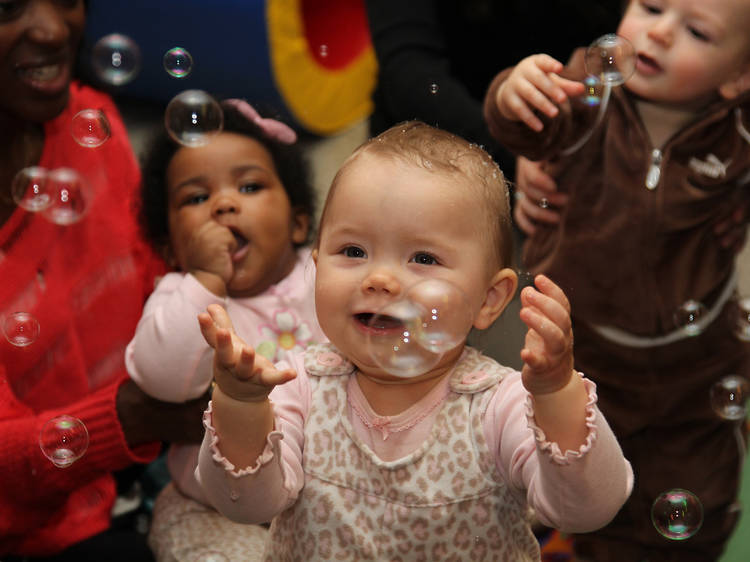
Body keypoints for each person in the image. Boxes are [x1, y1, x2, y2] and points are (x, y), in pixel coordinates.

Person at [193, 121, 633, 560]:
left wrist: (556, 394)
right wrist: (241, 404)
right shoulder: (298, 387)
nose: (380, 278)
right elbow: (246, 504)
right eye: (353, 251)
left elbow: (587, 510)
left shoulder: (501, 405)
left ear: (489, 298)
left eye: (423, 258)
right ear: (315, 264)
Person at [484, 0, 750, 559]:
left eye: (697, 31)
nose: (659, 32)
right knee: (582, 472)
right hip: (581, 352)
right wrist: (513, 92)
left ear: (738, 78)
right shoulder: (587, 93)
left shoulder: (739, 135)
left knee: (698, 484)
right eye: (651, 6)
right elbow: (528, 125)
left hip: (698, 362)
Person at [0, 1, 208, 560]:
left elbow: (152, 280)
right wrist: (142, 416)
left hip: (147, 455)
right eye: (6, 7)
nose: (52, 29)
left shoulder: (90, 120)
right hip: (41, 526)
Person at [126, 99, 327, 561]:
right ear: (169, 247)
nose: (223, 204)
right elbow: (162, 379)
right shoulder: (181, 294)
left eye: (250, 186)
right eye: (196, 198)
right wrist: (203, 281)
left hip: (326, 495)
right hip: (215, 506)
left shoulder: (321, 275)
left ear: (299, 222)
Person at [364, 0, 622, 180]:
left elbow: (611, 39)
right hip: (429, 153)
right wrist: (517, 153)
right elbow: (409, 73)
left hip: (567, 149)